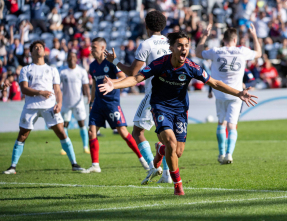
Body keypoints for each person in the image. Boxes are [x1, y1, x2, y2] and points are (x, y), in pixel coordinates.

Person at [98, 31, 258, 195]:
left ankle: (161, 151)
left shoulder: (191, 67)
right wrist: (114, 85)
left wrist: (239, 93)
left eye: (186, 46)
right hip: (160, 107)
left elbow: (215, 83)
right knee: (171, 143)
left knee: (178, 151)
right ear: (171, 48)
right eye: (180, 45)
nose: (184, 49)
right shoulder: (159, 63)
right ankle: (178, 185)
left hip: (180, 111)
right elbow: (137, 78)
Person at [105, 10, 171, 184]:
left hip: (154, 93)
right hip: (172, 92)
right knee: (163, 134)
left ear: (147, 26)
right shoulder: (171, 43)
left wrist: (114, 61)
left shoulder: (146, 44)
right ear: (163, 25)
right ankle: (167, 174)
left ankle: (153, 166)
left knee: (137, 131)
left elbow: (133, 74)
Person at [3, 40, 84, 174]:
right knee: (22, 135)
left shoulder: (52, 69)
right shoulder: (26, 69)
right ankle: (12, 166)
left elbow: (57, 90)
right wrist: (40, 92)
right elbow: (24, 89)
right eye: (36, 47)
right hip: (31, 106)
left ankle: (74, 164)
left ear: (44, 51)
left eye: (41, 47)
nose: (39, 49)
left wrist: (59, 103)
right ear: (31, 52)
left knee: (62, 133)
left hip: (49, 106)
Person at [195, 23, 261, 164]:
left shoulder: (216, 51)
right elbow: (259, 53)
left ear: (223, 39)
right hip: (237, 93)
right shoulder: (242, 51)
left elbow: (198, 53)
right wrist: (254, 35)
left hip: (220, 92)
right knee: (232, 124)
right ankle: (229, 154)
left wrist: (205, 35)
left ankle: (221, 153)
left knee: (221, 123)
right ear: (235, 40)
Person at [81, 37, 149, 174]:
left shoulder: (111, 63)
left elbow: (124, 77)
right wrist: (92, 101)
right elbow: (94, 84)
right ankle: (95, 165)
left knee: (123, 132)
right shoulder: (93, 66)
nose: (91, 50)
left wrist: (112, 81)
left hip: (112, 103)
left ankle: (143, 159)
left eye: (94, 47)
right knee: (91, 132)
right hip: (98, 104)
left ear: (102, 48)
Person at [59, 50, 91, 156]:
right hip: (66, 103)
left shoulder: (81, 71)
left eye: (74, 56)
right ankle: (64, 147)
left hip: (78, 102)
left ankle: (85, 147)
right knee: (64, 125)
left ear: (76, 59)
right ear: (67, 58)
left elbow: (86, 85)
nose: (72, 58)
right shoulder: (62, 72)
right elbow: (57, 87)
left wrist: (89, 95)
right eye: (70, 57)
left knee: (82, 124)